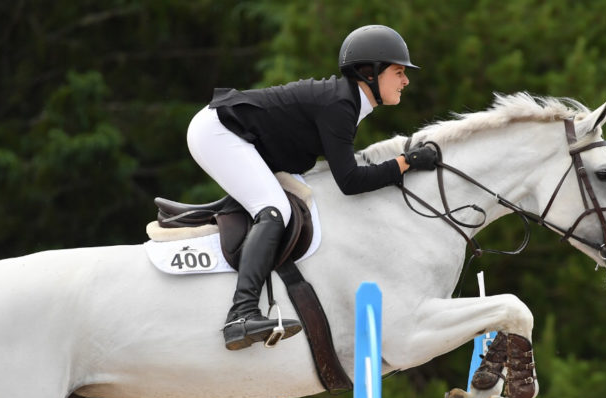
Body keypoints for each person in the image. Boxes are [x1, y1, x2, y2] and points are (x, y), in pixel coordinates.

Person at [187, 25, 438, 351]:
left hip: (231, 133)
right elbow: (349, 181)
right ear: (370, 73)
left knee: (277, 203)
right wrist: (406, 163)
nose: (405, 81)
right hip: (219, 132)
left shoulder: (345, 102)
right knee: (274, 210)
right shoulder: (340, 106)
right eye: (399, 72)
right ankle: (242, 314)